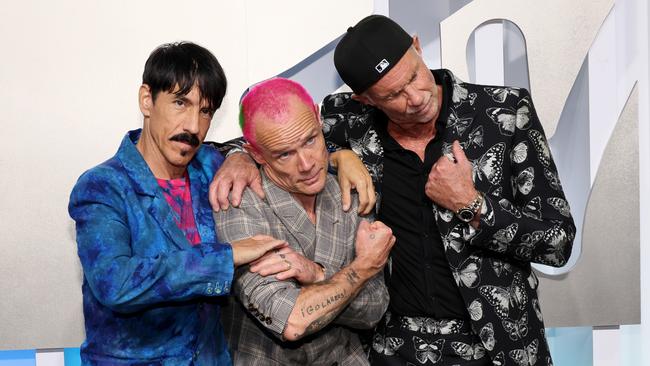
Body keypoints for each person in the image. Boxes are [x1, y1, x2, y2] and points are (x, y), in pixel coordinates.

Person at [210, 15, 576, 366]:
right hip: (389, 348)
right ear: (365, 100)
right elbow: (277, 141)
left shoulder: (505, 112)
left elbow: (558, 242)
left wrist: (473, 205)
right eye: (393, 95)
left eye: (415, 76)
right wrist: (240, 157)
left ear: (417, 47)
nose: (415, 98)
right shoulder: (346, 122)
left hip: (496, 345)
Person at [68, 42, 287, 365]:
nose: (193, 126)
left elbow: (287, 157)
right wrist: (226, 257)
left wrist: (341, 158)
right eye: (180, 103)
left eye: (205, 111)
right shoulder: (102, 186)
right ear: (147, 100)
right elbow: (116, 283)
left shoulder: (212, 166)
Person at [215, 77, 394, 365]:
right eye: (285, 154)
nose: (308, 164)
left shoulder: (349, 191)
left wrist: (318, 275)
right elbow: (291, 319)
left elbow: (376, 308)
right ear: (255, 154)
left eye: (310, 140)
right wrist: (362, 268)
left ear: (318, 117)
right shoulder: (238, 201)